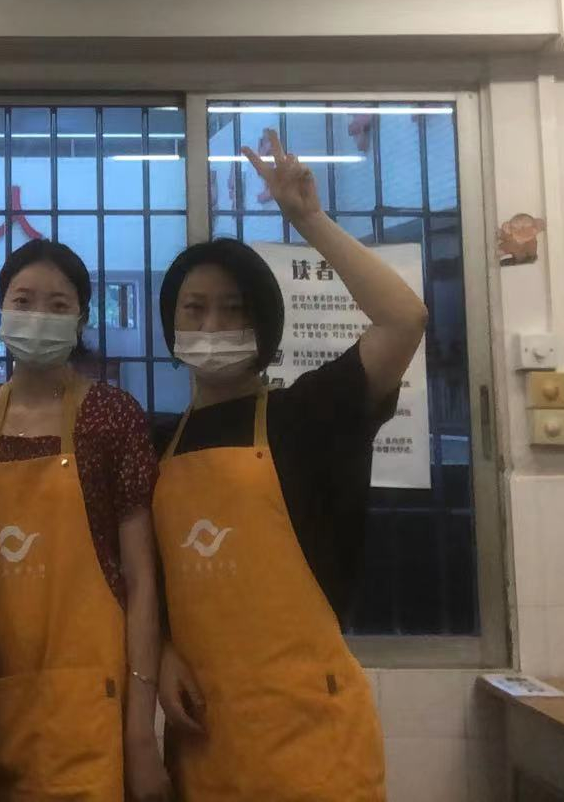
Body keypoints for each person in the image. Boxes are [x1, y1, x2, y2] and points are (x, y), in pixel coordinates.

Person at [152, 129, 429, 802]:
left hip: (312, 747)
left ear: (266, 326)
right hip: (204, 745)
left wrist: (308, 219)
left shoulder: (309, 414)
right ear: (170, 324)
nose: (212, 325)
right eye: (194, 308)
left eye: (234, 310)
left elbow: (403, 319)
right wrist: (161, 652)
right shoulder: (156, 442)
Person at [0, 239, 170, 802]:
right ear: (0, 309)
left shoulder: (112, 415)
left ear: (81, 318)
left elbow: (141, 579)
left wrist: (141, 731)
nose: (38, 316)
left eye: (58, 305)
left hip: (95, 697)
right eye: (23, 300)